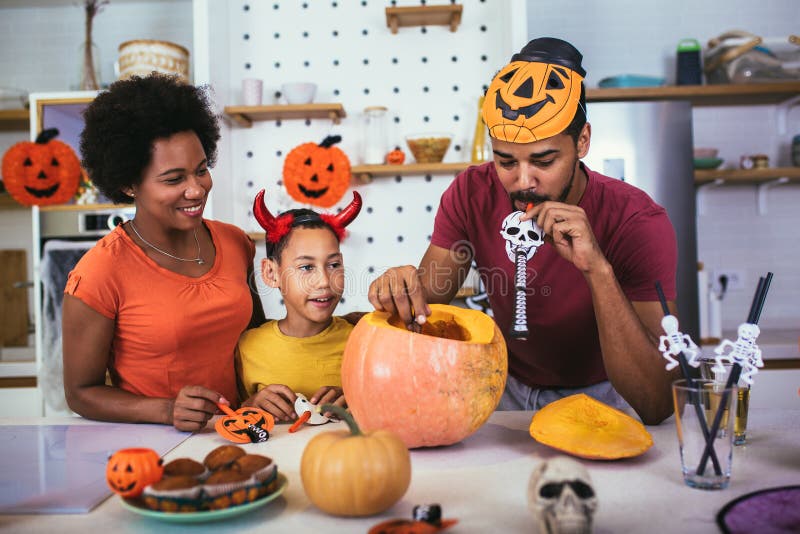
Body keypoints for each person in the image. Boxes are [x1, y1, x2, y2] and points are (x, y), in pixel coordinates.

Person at [368, 37, 680, 425]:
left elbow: (656, 401)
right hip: (503, 388)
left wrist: (597, 270)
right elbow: (426, 303)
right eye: (506, 161)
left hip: (606, 394)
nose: (523, 181)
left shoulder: (637, 221)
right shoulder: (471, 193)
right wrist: (403, 288)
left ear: (582, 141)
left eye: (543, 160)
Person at [63, 73, 266, 432]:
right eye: (174, 180)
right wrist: (165, 410)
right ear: (128, 183)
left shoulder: (235, 243)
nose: (196, 190)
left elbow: (258, 341)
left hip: (240, 433)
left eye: (201, 170)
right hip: (156, 444)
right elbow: (81, 393)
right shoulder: (98, 273)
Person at [236, 190, 362, 422]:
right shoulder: (247, 348)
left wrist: (358, 400)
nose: (324, 281)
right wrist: (249, 406)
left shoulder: (363, 342)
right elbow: (233, 418)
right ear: (271, 273)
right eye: (306, 267)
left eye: (334, 264)